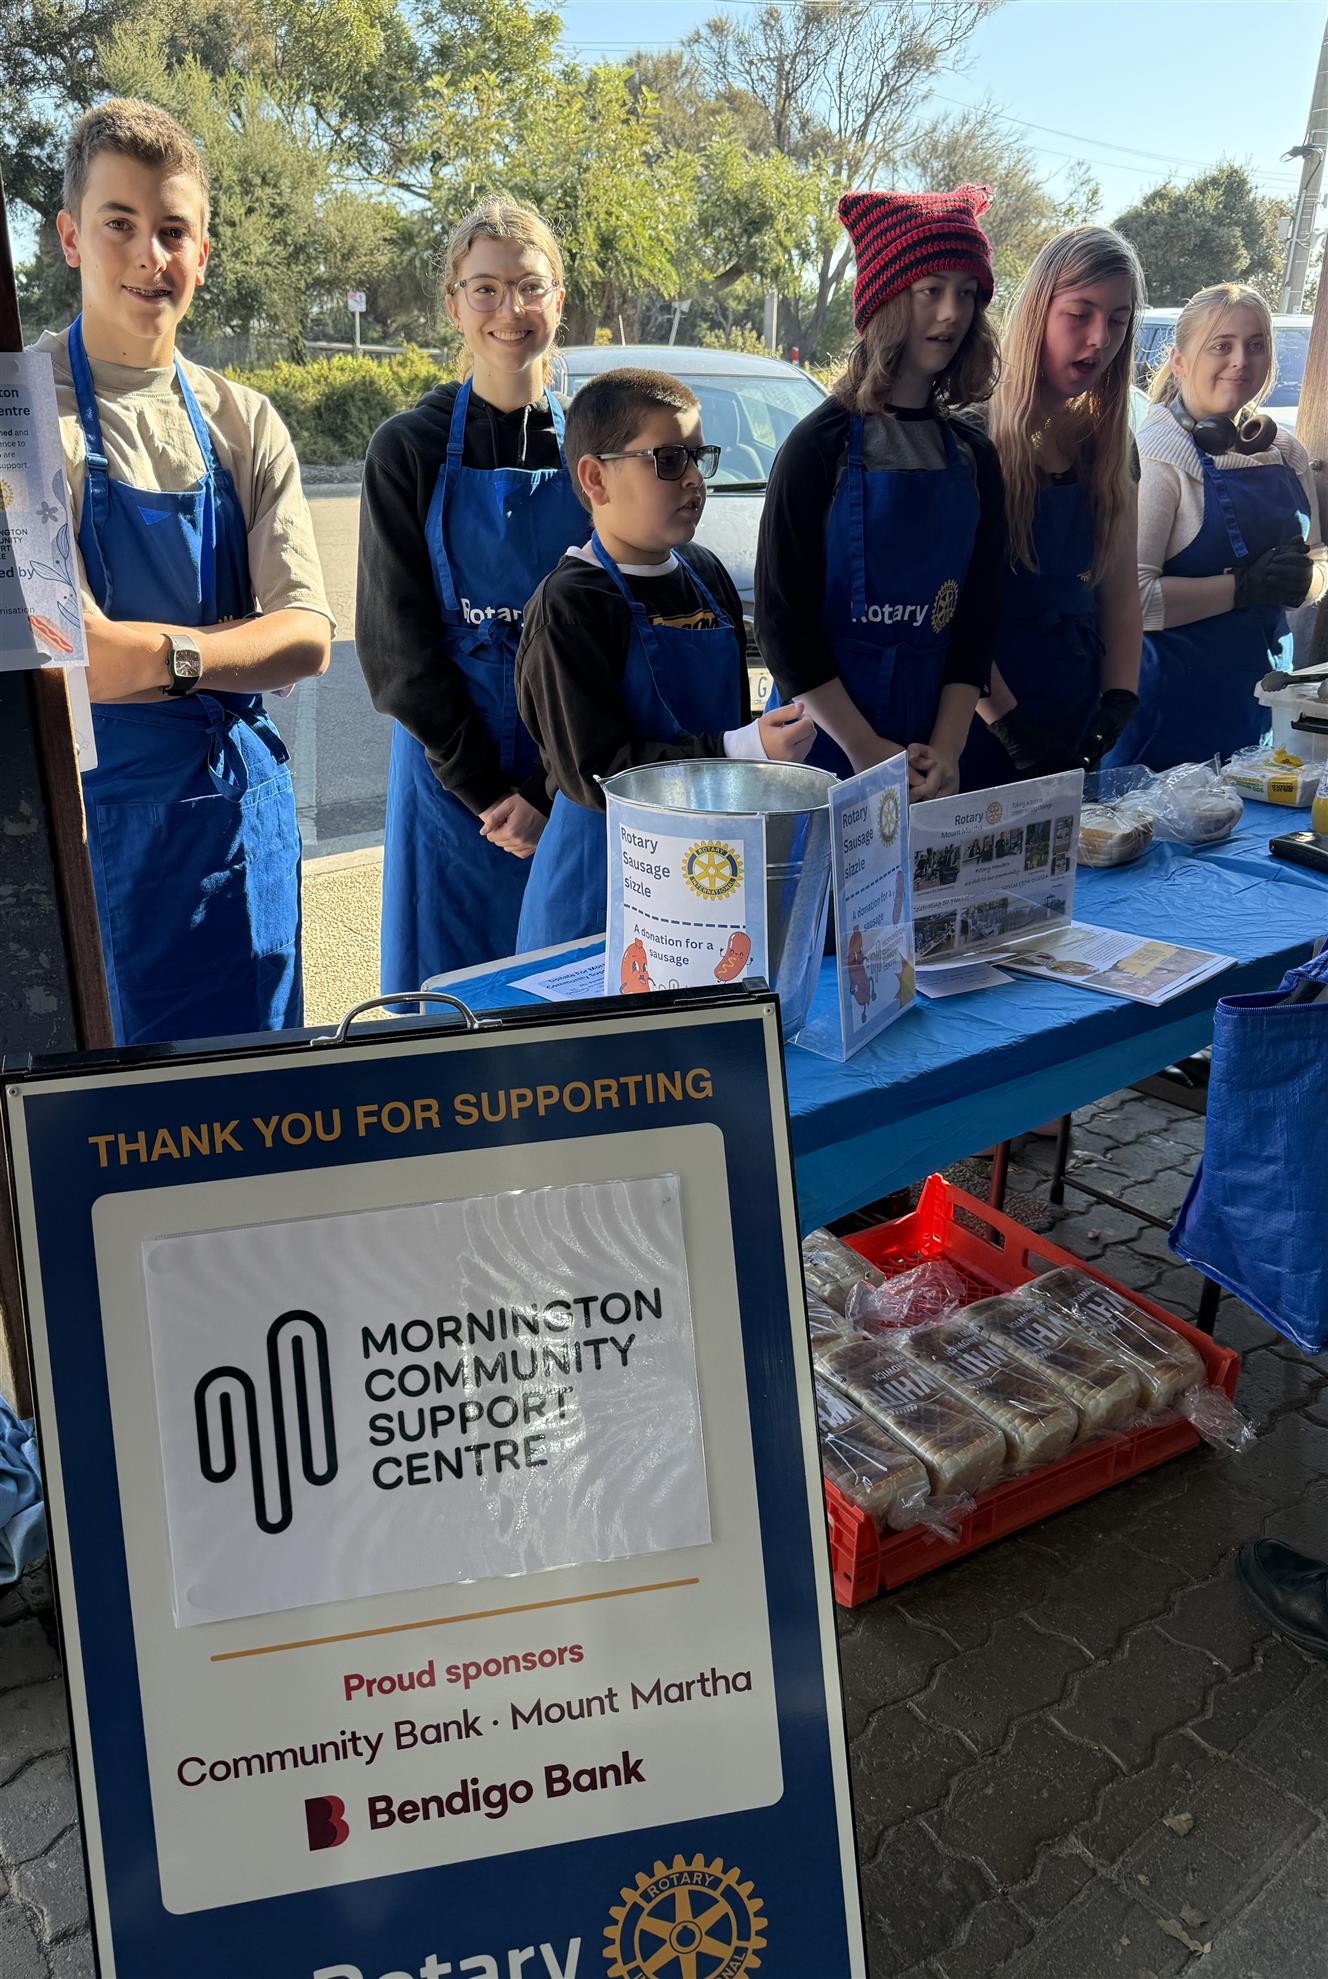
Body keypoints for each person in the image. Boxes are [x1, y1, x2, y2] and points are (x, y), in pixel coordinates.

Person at [40, 98, 332, 1046]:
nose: (149, 256)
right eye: (119, 223)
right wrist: (232, 649)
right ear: (71, 237)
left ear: (202, 253)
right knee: (120, 1102)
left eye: (172, 231)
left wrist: (166, 659)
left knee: (264, 1090)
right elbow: (77, 658)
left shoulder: (244, 421)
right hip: (103, 834)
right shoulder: (26, 424)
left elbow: (308, 636)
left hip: (247, 821)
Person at [356, 198, 586, 993]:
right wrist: (490, 792)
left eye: (529, 287)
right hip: (450, 779)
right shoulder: (406, 448)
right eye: (485, 289)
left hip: (572, 771)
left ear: (558, 300)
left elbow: (614, 634)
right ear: (454, 305)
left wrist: (549, 792)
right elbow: (396, 652)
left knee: (564, 1004)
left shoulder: (596, 449)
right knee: (451, 1009)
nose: (509, 310)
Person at [513, 368, 814, 949]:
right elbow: (595, 774)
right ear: (595, 478)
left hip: (707, 869)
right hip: (602, 888)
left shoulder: (706, 573)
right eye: (669, 460)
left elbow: (731, 716)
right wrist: (741, 751)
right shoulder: (571, 604)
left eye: (700, 457)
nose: (694, 479)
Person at [755, 184, 1007, 803]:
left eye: (967, 293)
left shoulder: (974, 457)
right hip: (821, 748)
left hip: (931, 754)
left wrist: (947, 748)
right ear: (885, 301)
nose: (951, 313)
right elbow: (783, 627)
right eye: (931, 290)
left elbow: (975, 623)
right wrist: (865, 749)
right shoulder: (816, 448)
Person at [1105, 282, 1327, 771]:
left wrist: (1308, 581)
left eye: (1256, 345)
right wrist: (1244, 587)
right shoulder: (1157, 457)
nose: (1240, 361)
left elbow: (1318, 557)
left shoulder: (1286, 452)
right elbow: (1132, 600)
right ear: (1180, 361)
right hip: (1168, 716)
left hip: (1262, 701)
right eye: (1221, 346)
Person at [960, 227, 1144, 790]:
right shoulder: (970, 439)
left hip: (1071, 711)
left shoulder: (1110, 448)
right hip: (977, 721)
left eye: (1118, 320)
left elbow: (1119, 593)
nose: (1100, 338)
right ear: (1037, 313)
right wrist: (1011, 728)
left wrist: (1119, 697)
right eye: (1080, 314)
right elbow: (952, 616)